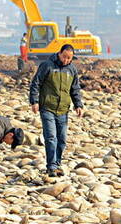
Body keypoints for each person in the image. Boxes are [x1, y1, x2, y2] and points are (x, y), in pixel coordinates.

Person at [29, 44, 83, 177]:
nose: (66, 60)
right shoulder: (47, 65)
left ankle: (57, 164)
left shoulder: (72, 70)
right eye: (64, 57)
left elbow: (74, 89)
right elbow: (36, 83)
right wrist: (34, 101)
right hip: (47, 107)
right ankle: (51, 166)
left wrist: (78, 105)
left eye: (69, 58)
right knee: (51, 137)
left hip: (63, 109)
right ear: (59, 53)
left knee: (62, 139)